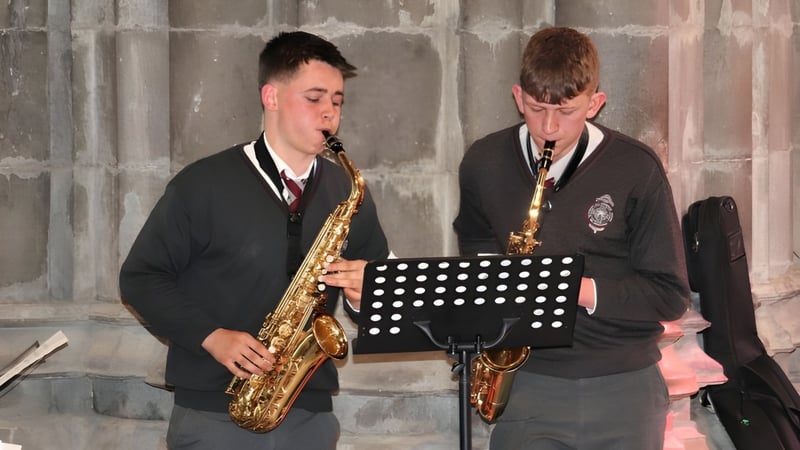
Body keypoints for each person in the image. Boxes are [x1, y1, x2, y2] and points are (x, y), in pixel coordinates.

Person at [119, 31, 389, 450]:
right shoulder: (203, 183)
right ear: (272, 97)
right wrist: (211, 335)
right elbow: (141, 278)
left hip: (309, 413)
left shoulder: (346, 189)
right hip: (214, 412)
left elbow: (384, 282)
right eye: (314, 98)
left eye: (337, 102)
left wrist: (362, 292)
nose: (329, 115)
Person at [453, 27, 690, 449]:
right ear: (517, 96)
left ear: (595, 104)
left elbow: (670, 296)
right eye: (535, 107)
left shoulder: (636, 168)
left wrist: (572, 290)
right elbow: (474, 249)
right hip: (529, 384)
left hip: (624, 387)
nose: (548, 126)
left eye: (565, 111)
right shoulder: (483, 162)